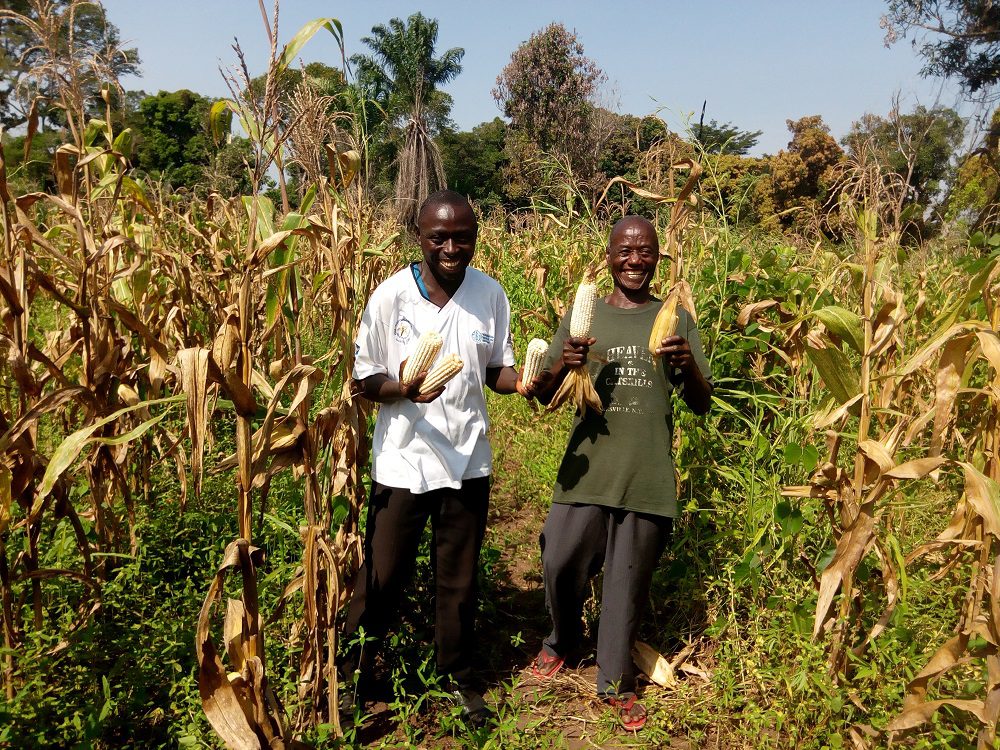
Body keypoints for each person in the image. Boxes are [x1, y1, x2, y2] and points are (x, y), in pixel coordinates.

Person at [342, 190, 528, 726]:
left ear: (475, 235)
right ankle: (354, 674)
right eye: (438, 237)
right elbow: (363, 379)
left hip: (469, 460)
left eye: (462, 236)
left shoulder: (489, 294)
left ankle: (459, 678)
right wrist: (403, 388)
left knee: (459, 580)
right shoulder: (391, 297)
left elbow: (496, 370)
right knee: (383, 575)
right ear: (418, 237)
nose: (451, 246)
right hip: (404, 462)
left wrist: (531, 381)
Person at [527, 215, 712, 731]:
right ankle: (564, 639)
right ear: (609, 256)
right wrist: (563, 363)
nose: (635, 259)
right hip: (586, 472)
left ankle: (615, 683)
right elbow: (541, 394)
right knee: (560, 560)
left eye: (645, 250)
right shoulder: (586, 316)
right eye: (625, 250)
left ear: (657, 258)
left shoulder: (675, 319)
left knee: (625, 585)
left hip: (647, 474)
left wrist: (687, 367)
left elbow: (701, 402)